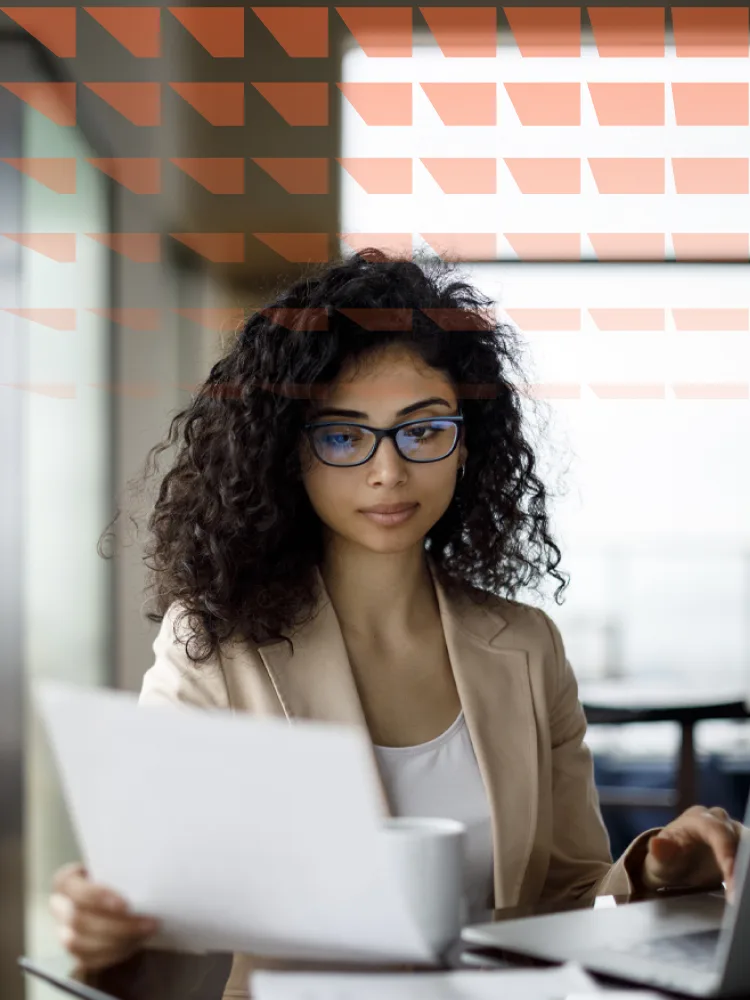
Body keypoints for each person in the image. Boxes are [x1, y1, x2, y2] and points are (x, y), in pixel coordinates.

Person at [50, 249, 742, 996]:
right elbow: (169, 931)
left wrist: (656, 870)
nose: (389, 471)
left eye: (422, 430)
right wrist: (109, 935)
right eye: (344, 436)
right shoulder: (215, 648)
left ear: (466, 443)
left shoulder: (528, 647)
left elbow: (570, 903)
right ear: (291, 454)